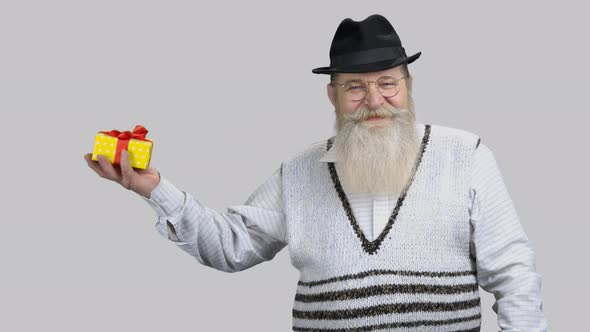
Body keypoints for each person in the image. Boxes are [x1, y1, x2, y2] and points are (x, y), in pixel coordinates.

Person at [84, 14, 547, 332]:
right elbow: (231, 246)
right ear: (333, 97)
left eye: (387, 83)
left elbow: (515, 274)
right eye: (355, 88)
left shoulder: (466, 155)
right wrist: (155, 189)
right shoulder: (300, 172)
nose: (373, 100)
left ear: (408, 86)